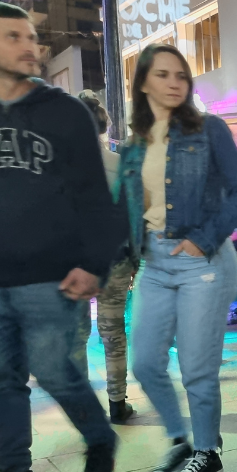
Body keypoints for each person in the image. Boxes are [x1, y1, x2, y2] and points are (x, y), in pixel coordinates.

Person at [0, 2, 127, 472]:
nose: (29, 46)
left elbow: (96, 197)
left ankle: (99, 437)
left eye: (31, 36)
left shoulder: (63, 111)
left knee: (55, 371)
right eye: (13, 36)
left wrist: (93, 263)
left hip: (50, 277)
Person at [120, 44, 237, 472]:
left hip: (204, 262)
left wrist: (204, 239)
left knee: (197, 368)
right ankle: (183, 440)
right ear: (143, 83)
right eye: (163, 75)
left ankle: (207, 453)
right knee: (144, 363)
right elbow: (128, 209)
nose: (175, 83)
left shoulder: (208, 129)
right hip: (154, 264)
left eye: (182, 75)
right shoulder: (135, 144)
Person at [77, 89, 137, 424]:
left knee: (78, 335)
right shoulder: (120, 165)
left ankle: (84, 408)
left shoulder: (62, 169)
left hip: (73, 263)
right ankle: (117, 401)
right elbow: (132, 217)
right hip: (115, 260)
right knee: (113, 331)